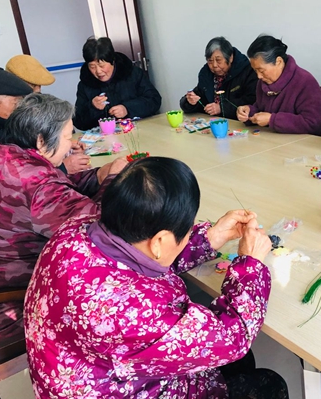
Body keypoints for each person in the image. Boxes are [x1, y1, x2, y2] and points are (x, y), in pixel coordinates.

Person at [24, 157, 289, 398]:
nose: (188, 233)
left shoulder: (75, 231)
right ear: (160, 241)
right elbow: (233, 339)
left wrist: (210, 237)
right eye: (186, 231)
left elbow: (143, 257)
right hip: (123, 388)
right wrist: (250, 264)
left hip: (86, 368)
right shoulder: (134, 314)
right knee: (267, 384)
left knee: (239, 364)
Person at [0, 93, 127, 350]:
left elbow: (55, 191)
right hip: (0, 313)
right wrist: (114, 179)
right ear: (41, 141)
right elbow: (97, 230)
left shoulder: (1, 150)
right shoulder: (36, 184)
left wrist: (97, 176)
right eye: (67, 136)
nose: (71, 144)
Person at [6, 54, 91, 174]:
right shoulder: (14, 116)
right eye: (33, 86)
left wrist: (62, 144)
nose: (37, 91)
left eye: (39, 86)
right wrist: (63, 168)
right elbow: (27, 170)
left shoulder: (36, 101)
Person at [237, 35, 321, 136]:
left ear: (279, 61)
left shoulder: (306, 82)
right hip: (273, 139)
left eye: (261, 70)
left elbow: (312, 124)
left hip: (305, 142)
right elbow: (261, 109)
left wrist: (272, 120)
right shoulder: (263, 82)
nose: (259, 76)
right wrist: (249, 112)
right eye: (255, 70)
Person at [74, 37, 162, 130]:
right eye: (92, 67)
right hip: (107, 136)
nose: (98, 71)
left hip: (140, 130)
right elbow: (78, 122)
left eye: (102, 65)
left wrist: (127, 108)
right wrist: (93, 107)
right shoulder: (85, 85)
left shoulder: (133, 74)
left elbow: (154, 100)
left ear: (112, 61)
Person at [181, 36, 258, 118]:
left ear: (230, 58)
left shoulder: (248, 71)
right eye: (210, 61)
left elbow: (252, 101)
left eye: (218, 60)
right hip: (213, 122)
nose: (214, 65)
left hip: (238, 122)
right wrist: (190, 102)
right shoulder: (206, 74)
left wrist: (222, 108)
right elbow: (199, 98)